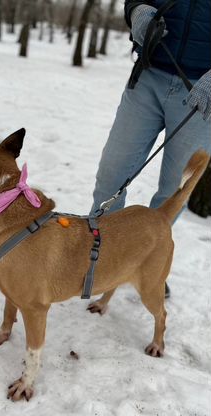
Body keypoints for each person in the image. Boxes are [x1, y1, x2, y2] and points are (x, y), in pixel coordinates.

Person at [91, 0, 211, 297]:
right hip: (148, 77)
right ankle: (98, 258)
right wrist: (137, 12)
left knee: (174, 191)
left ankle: (148, 262)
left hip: (203, 94)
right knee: (111, 174)